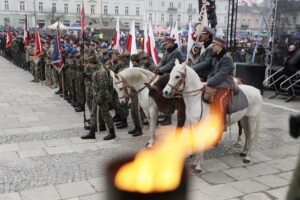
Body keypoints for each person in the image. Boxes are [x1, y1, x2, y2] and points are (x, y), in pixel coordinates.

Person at [205, 36, 235, 129]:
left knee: (219, 100)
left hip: (225, 82)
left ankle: (221, 123)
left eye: (214, 45)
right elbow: (212, 72)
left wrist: (209, 82)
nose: (212, 47)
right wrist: (208, 80)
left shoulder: (227, 58)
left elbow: (222, 74)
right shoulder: (215, 57)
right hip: (216, 81)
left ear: (220, 46)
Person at [154, 36, 183, 126]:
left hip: (173, 75)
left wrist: (160, 70)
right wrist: (157, 67)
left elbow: (171, 64)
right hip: (166, 73)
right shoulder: (168, 51)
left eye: (167, 43)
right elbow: (162, 62)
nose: (166, 45)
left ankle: (168, 117)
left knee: (167, 93)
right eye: (166, 43)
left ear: (172, 43)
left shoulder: (177, 52)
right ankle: (164, 111)